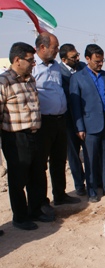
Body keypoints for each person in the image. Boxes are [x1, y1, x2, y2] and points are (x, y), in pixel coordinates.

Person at [0, 42, 50, 230]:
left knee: (37, 175)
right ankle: (20, 217)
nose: (33, 64)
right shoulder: (4, 82)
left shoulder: (30, 80)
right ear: (17, 60)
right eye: (30, 60)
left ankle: (35, 210)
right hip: (15, 138)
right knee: (18, 178)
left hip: (35, 135)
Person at [33, 33, 80, 206]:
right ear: (43, 47)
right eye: (55, 47)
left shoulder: (55, 67)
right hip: (43, 122)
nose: (57, 51)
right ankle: (42, 202)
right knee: (41, 165)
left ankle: (60, 195)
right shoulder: (33, 67)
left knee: (59, 160)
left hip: (61, 120)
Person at [70, 44, 105, 202]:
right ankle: (91, 191)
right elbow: (75, 106)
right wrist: (79, 127)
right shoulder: (77, 78)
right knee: (90, 159)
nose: (100, 63)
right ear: (87, 59)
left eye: (102, 60)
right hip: (89, 125)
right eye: (97, 61)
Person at [59, 43, 87, 196]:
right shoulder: (58, 73)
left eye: (77, 55)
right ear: (64, 59)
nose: (77, 58)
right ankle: (79, 184)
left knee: (89, 151)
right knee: (74, 154)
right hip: (69, 120)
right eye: (73, 57)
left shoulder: (83, 67)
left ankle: (91, 180)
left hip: (85, 116)